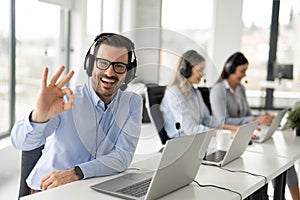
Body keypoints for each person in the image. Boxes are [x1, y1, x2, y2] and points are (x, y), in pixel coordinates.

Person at [10, 33, 143, 194]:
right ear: (90, 64)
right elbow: (20, 143)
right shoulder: (66, 100)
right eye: (103, 63)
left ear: (128, 73)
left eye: (119, 66)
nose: (109, 73)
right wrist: (39, 116)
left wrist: (77, 172)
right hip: (49, 190)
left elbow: (122, 157)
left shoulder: (133, 103)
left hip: (92, 187)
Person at [210, 51, 300, 200]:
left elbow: (247, 114)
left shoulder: (240, 89)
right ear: (230, 68)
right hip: (231, 138)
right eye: (242, 71)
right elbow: (222, 122)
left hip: (248, 135)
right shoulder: (218, 90)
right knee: (271, 162)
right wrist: (256, 119)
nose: (244, 75)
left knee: (285, 161)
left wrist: (259, 119)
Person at [160, 50, 238, 139]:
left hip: (196, 138)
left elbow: (208, 120)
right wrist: (226, 134)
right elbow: (190, 129)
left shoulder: (195, 92)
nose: (202, 74)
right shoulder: (174, 94)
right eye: (200, 70)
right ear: (186, 70)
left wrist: (234, 129)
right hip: (181, 142)